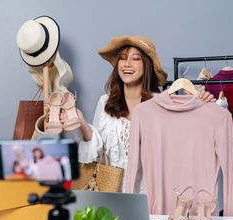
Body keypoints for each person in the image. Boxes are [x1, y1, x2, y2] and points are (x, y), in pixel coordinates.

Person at [63, 35, 215, 192]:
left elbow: (185, 146)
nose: (127, 64)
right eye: (122, 58)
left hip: (151, 194)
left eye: (135, 59)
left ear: (146, 65)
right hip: (113, 193)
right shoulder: (104, 102)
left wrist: (205, 106)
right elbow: (95, 149)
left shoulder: (162, 103)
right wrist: (81, 122)